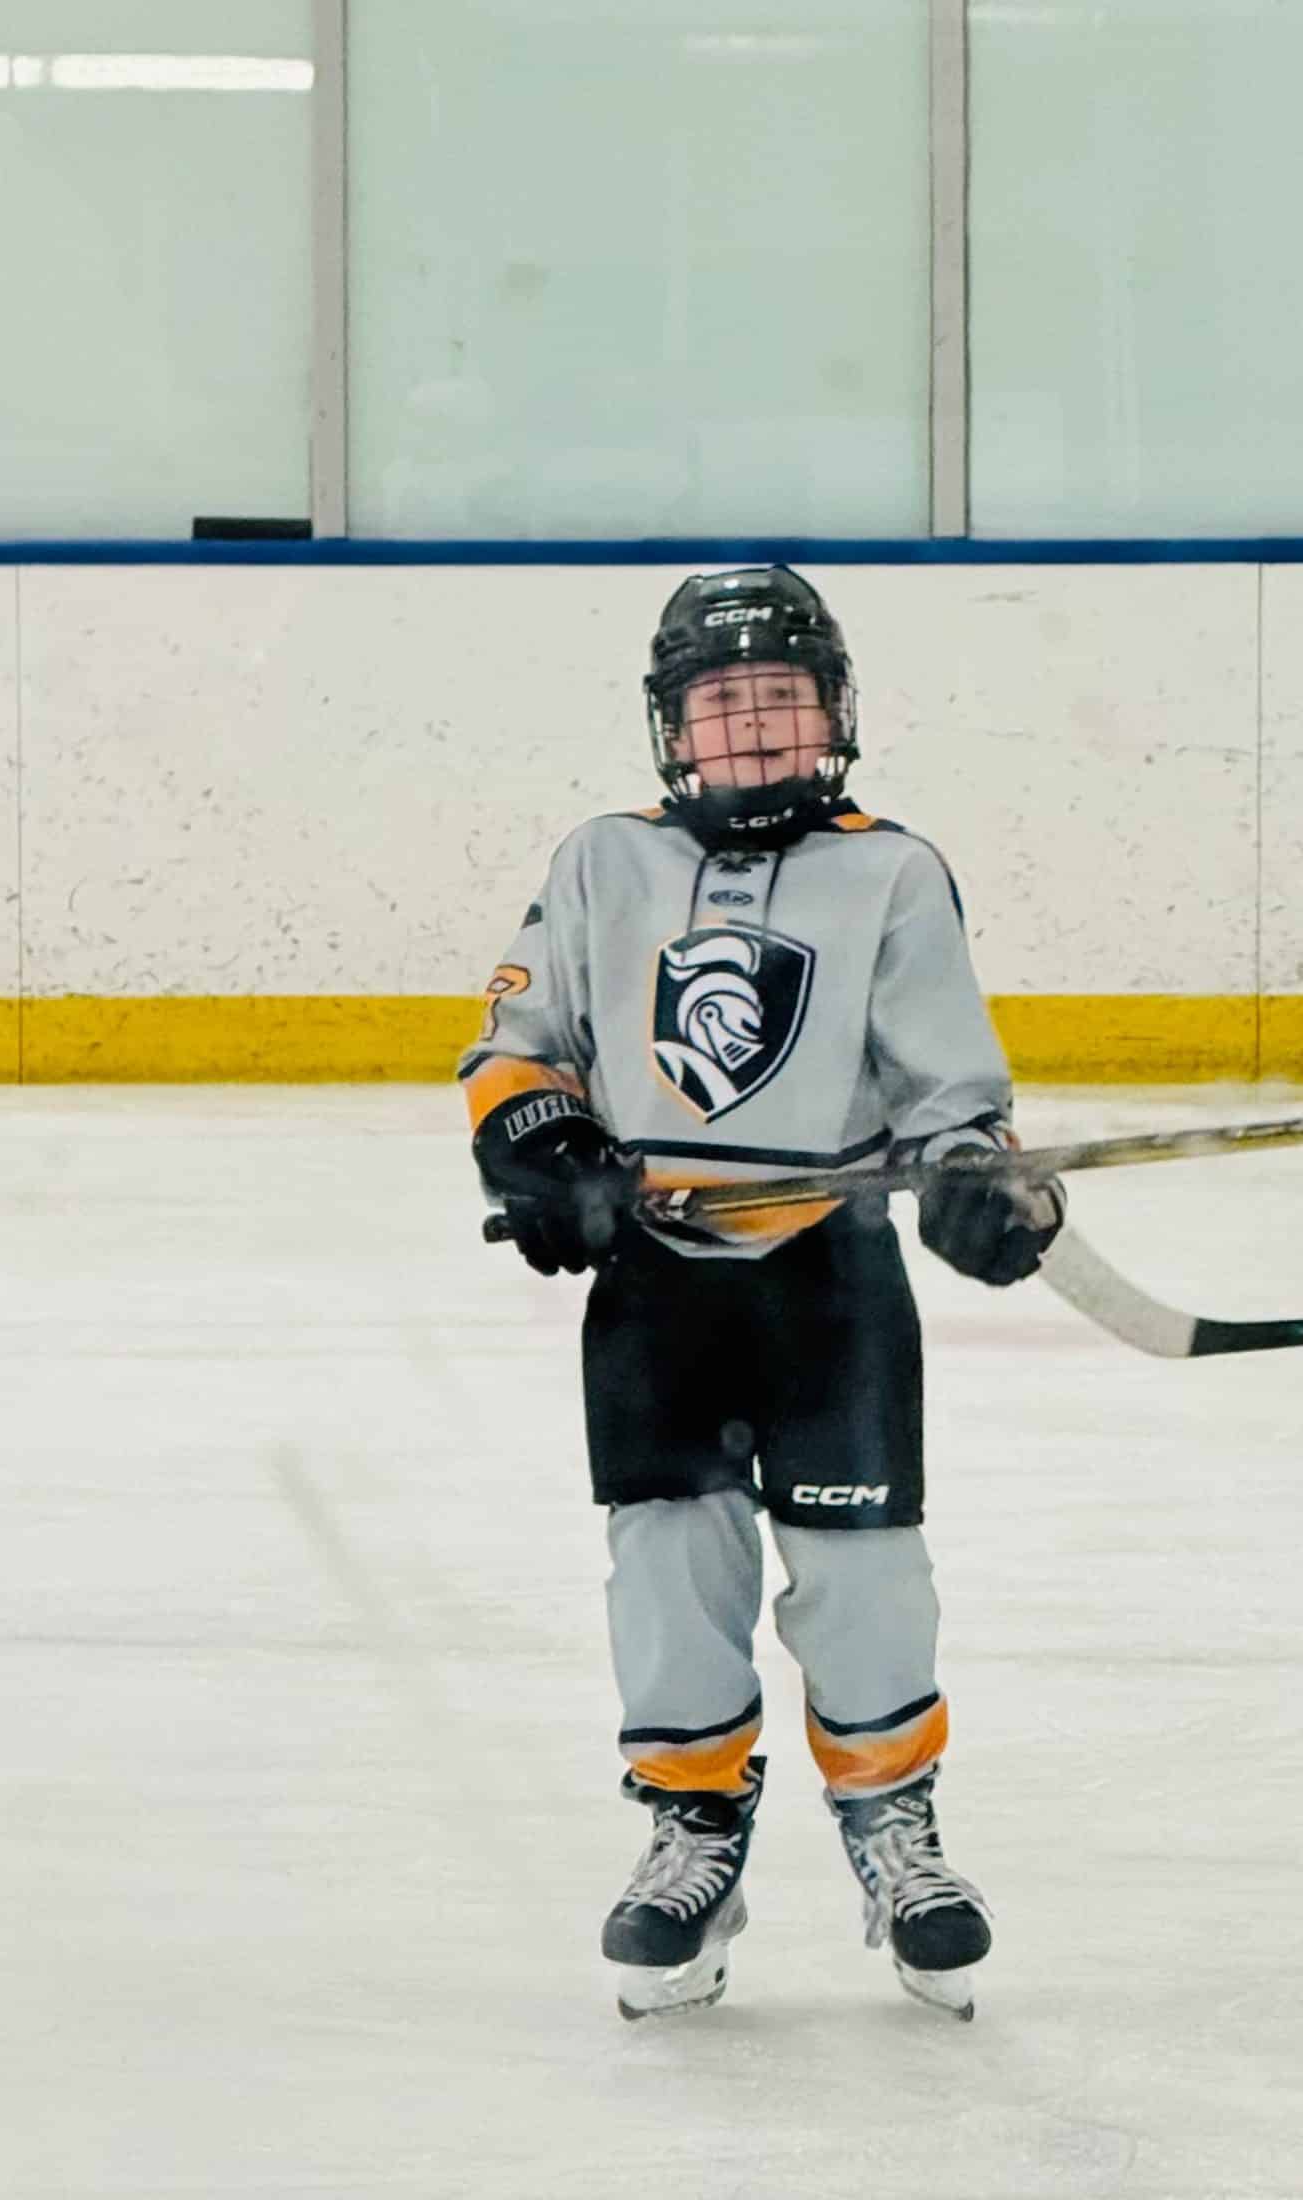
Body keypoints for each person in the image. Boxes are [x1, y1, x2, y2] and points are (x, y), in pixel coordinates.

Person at [458, 566, 1062, 2021]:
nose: (751, 727)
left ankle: (892, 1826)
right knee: (667, 1563)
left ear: (832, 714)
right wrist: (553, 1156)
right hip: (657, 1279)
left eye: (778, 699)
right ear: (672, 728)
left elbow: (949, 1097)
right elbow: (517, 1050)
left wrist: (975, 1181)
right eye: (721, 703)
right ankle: (695, 1830)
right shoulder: (601, 860)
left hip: (827, 1268)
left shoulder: (891, 873)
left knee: (867, 1570)